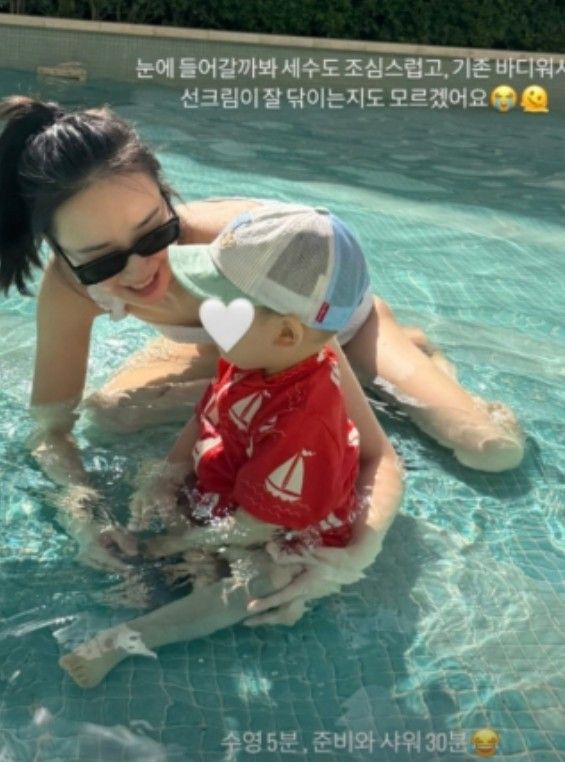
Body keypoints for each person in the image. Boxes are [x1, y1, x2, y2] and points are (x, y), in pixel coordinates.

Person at [0, 96, 522, 615]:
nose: (140, 273)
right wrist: (85, 514)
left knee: (491, 449)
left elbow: (377, 457)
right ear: (61, 254)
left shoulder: (239, 259)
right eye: (102, 262)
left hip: (324, 326)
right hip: (234, 339)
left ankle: (409, 346)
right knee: (110, 415)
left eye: (156, 233)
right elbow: (49, 428)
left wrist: (353, 556)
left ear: (167, 194)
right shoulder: (70, 288)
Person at [58, 202, 384, 687]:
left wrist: (174, 542)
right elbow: (207, 413)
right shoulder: (255, 353)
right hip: (239, 493)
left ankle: (132, 637)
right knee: (160, 518)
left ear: (287, 332)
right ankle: (184, 569)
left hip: (281, 529)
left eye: (226, 305)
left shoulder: (306, 425)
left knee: (258, 583)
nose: (208, 315)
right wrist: (166, 475)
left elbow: (259, 525)